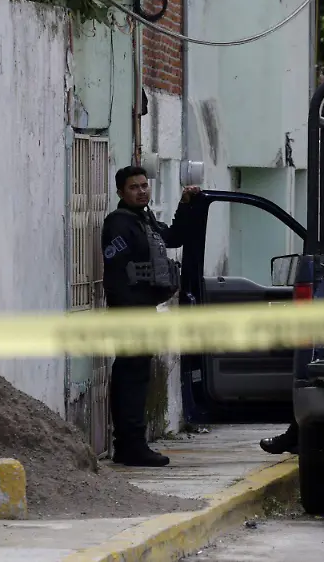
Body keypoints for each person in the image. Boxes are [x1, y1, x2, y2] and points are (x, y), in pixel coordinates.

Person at [102, 165, 202, 467]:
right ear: (121, 192)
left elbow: (173, 237)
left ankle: (132, 445)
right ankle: (130, 445)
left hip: (143, 310)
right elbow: (116, 274)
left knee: (137, 376)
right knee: (130, 378)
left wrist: (185, 205)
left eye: (144, 185)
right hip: (130, 313)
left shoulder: (143, 220)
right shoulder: (119, 224)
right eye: (134, 187)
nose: (141, 191)